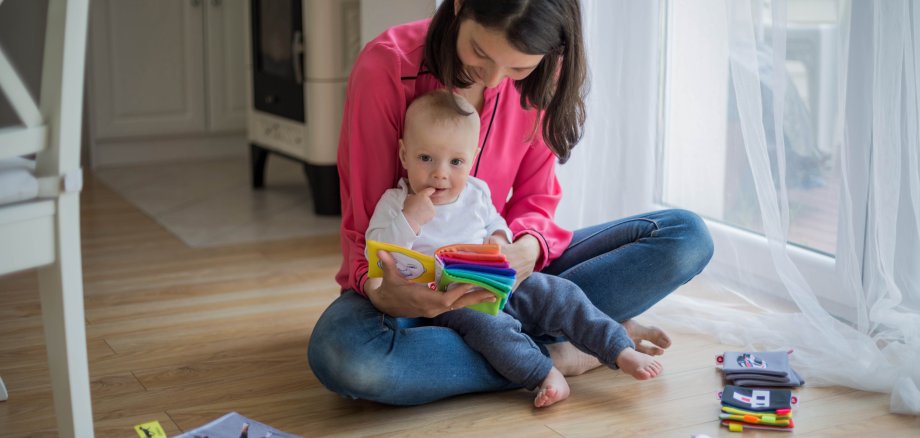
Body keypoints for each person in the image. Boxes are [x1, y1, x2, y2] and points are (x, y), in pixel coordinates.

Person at [308, 0, 714, 406]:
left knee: (686, 236)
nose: (496, 78)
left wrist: (523, 249)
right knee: (348, 358)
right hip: (408, 292)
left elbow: (536, 198)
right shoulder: (388, 67)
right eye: (481, 53)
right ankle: (561, 352)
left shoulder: (544, 74)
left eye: (518, 68)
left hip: (507, 282)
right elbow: (366, 231)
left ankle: (514, 347)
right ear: (459, 6)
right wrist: (386, 295)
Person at [367, 89, 662, 407]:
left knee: (559, 294)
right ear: (404, 155)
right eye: (426, 158)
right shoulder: (395, 202)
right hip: (451, 302)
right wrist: (410, 219)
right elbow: (381, 254)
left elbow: (497, 222)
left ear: (473, 158)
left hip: (496, 281)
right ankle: (543, 372)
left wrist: (499, 240)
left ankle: (619, 348)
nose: (440, 173)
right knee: (491, 328)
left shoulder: (476, 193)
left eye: (456, 161)